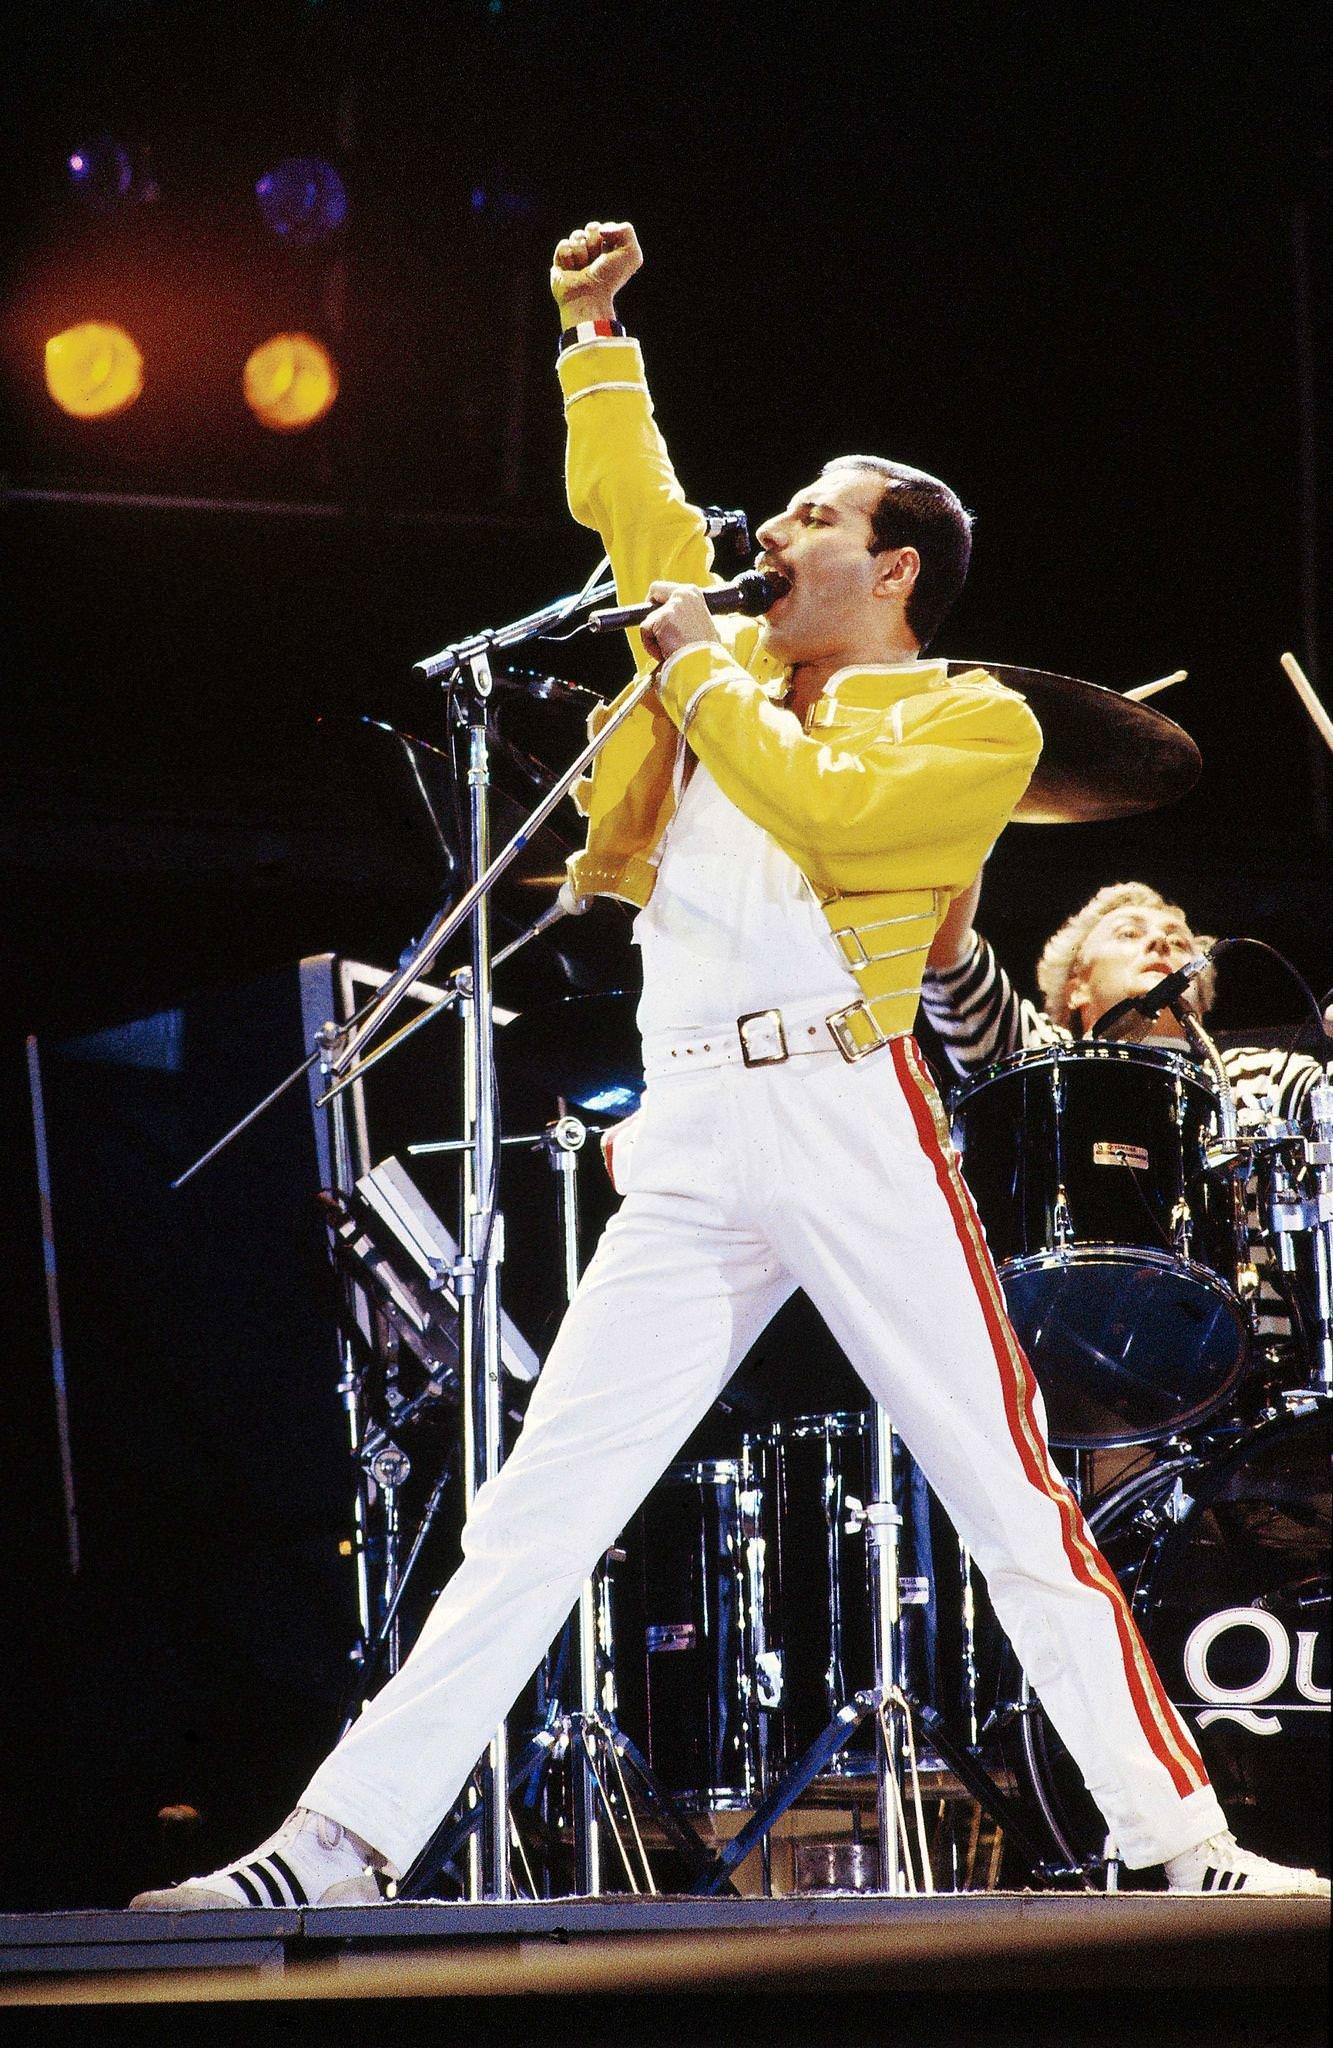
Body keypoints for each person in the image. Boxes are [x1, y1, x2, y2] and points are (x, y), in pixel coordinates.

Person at [131, 221, 1326, 1910]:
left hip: (848, 1109)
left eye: (816, 517)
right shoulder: (724, 672)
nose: (770, 534)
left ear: (897, 565)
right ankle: (330, 1845)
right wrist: (591, 333)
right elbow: (631, 509)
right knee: (536, 1503)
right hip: (688, 1119)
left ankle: (1185, 1844)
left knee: (1008, 1493)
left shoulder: (962, 721)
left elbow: (826, 812)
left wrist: (692, 657)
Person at [920, 875, 1325, 1340]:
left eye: (1178, 941)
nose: (1159, 941)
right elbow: (946, 954)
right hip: (1060, 1351)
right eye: (1129, 934)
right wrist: (971, 817)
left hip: (1259, 1379)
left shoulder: (1266, 1075)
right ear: (1076, 986)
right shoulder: (1035, 1055)